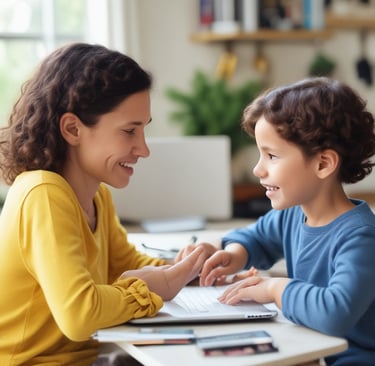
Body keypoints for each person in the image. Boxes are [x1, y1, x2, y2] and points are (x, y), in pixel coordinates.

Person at [0, 43, 211, 366]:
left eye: (144, 130)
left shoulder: (96, 195)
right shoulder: (43, 194)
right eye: (129, 131)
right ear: (73, 129)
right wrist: (156, 286)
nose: (143, 149)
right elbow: (80, 315)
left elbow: (121, 264)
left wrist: (188, 271)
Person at [197, 77, 375, 365]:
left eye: (271, 156)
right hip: (308, 350)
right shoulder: (293, 214)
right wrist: (234, 255)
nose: (258, 169)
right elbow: (257, 237)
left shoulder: (361, 237)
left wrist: (274, 288)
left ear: (323, 164)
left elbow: (335, 313)